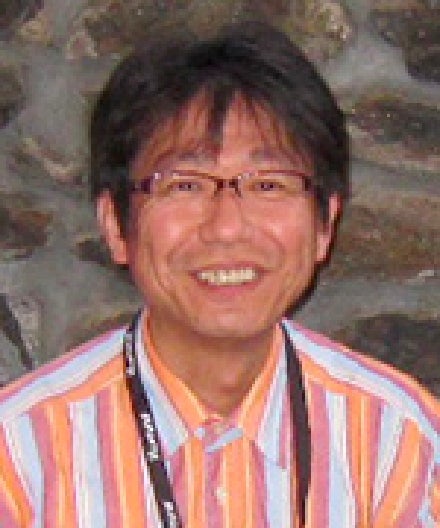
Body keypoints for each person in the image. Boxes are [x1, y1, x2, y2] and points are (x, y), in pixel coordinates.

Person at [0, 21, 439, 528]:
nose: (227, 228)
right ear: (116, 225)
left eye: (269, 185)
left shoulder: (396, 441)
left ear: (325, 223)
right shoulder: (20, 457)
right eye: (185, 185)